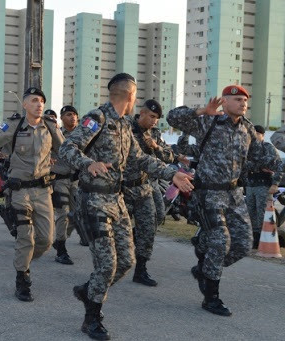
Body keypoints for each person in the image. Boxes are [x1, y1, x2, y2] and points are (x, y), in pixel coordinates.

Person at [59, 73, 193, 340]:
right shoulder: (96, 118)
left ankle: (88, 290)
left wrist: (171, 173)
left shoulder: (123, 125)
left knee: (127, 261)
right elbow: (67, 148)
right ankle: (92, 317)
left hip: (117, 199)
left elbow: (141, 158)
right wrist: (88, 163)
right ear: (131, 95)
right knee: (107, 264)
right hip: (94, 199)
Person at [167, 85, 281, 317]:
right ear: (225, 102)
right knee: (221, 241)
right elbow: (172, 117)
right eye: (237, 99)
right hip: (209, 193)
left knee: (242, 243)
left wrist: (276, 159)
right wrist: (201, 111)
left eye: (245, 101)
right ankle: (211, 297)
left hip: (234, 194)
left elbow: (260, 155)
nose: (243, 104)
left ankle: (205, 268)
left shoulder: (247, 129)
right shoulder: (208, 122)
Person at [0, 87, 65, 302]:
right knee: (26, 236)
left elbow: (65, 150)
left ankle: (23, 259)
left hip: (43, 191)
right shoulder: (14, 126)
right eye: (34, 100)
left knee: (46, 240)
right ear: (25, 104)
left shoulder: (51, 126)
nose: (39, 104)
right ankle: (22, 278)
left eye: (42, 101)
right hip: (20, 191)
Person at [123, 99, 175, 287]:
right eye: (151, 117)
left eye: (157, 118)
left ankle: (141, 270)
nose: (154, 121)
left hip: (145, 187)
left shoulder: (155, 134)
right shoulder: (126, 127)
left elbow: (169, 156)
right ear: (142, 113)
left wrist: (155, 146)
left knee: (148, 228)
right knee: (119, 231)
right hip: (123, 188)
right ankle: (109, 268)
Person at [50, 105, 80, 264]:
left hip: (76, 181)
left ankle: (60, 239)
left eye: (75, 114)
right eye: (69, 114)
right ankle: (61, 248)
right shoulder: (57, 135)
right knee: (63, 213)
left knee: (76, 215)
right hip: (60, 179)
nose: (73, 117)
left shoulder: (83, 135)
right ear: (62, 118)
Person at [244, 125, 281, 249]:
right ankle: (254, 240)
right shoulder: (247, 148)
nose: (253, 136)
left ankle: (264, 240)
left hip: (263, 185)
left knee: (262, 214)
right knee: (250, 213)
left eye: (256, 134)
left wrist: (275, 183)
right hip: (250, 184)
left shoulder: (268, 148)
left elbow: (278, 166)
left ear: (262, 135)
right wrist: (259, 166)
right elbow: (243, 164)